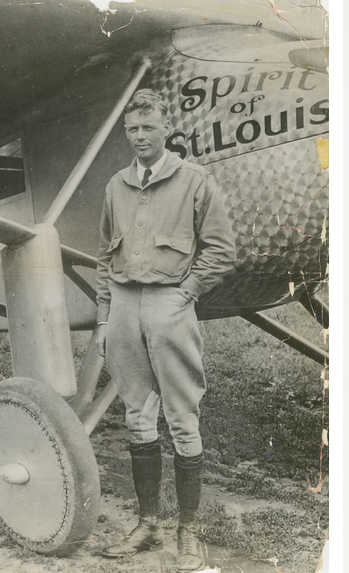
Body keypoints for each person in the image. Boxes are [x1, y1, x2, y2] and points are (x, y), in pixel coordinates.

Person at [95, 88, 236, 570]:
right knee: (137, 416)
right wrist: (102, 315)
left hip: (170, 305)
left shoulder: (195, 181)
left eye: (147, 128)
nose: (139, 137)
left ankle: (188, 532)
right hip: (123, 306)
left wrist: (186, 292)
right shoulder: (116, 185)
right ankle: (148, 524)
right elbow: (103, 255)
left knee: (182, 418)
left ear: (165, 129)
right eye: (132, 130)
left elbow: (221, 250)